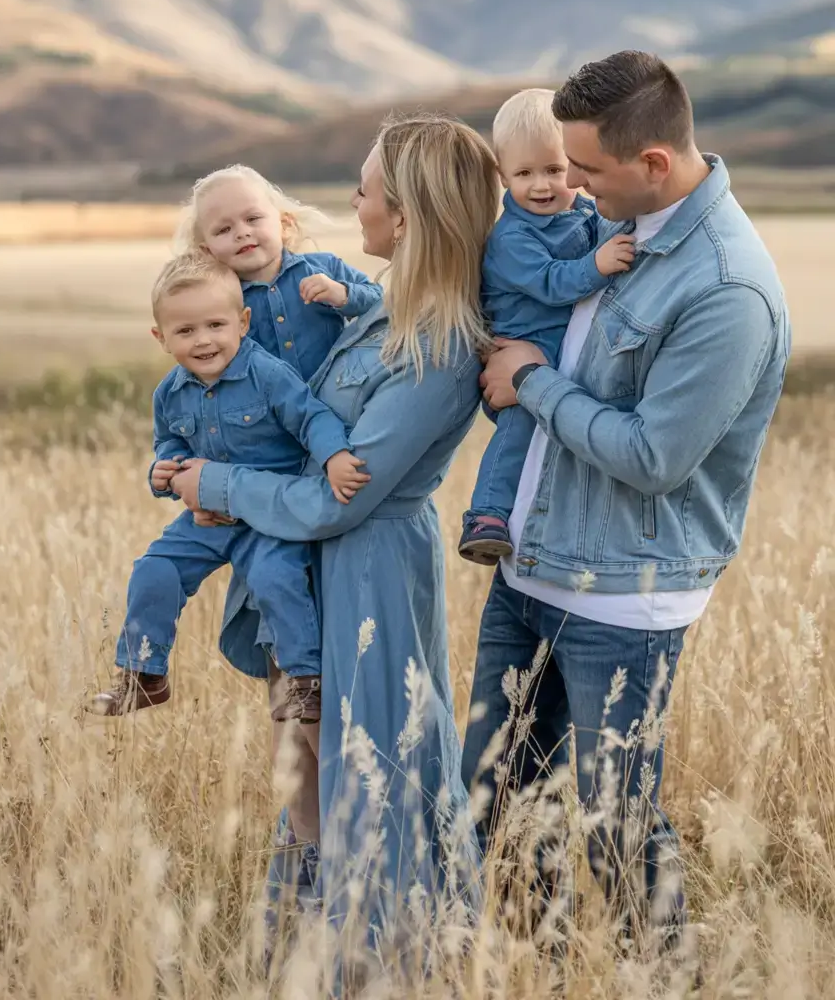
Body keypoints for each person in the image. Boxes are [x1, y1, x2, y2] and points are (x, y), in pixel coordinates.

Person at [462, 51, 790, 951]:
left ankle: (667, 973)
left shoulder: (727, 289)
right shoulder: (619, 223)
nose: (572, 189)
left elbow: (653, 457)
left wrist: (529, 381)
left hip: (623, 595)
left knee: (617, 826)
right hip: (532, 566)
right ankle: (543, 967)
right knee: (497, 800)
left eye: (588, 173)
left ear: (652, 163)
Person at [169, 116, 500, 940]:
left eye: (366, 191)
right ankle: (313, 943)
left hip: (373, 571)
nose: (351, 205)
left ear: (409, 215)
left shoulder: (439, 344)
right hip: (312, 570)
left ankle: (392, 952)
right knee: (308, 762)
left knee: (377, 763)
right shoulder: (383, 307)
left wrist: (218, 482)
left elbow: (337, 499)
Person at [90, 253, 366, 722]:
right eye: (186, 331)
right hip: (209, 518)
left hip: (268, 513)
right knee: (154, 569)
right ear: (161, 339)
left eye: (216, 325)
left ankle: (305, 681)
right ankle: (144, 674)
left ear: (243, 322)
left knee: (273, 579)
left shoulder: (267, 375)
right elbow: (170, 440)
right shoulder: (170, 392)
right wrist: (163, 472)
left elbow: (311, 416)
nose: (203, 341)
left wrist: (335, 457)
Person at [458, 88, 636, 565]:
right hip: (522, 352)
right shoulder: (512, 238)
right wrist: (598, 264)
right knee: (518, 430)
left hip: (559, 360)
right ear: (502, 175)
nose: (542, 185)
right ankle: (486, 516)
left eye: (555, 170)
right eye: (524, 173)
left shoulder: (579, 211)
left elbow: (607, 228)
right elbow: (552, 283)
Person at [174, 163, 384, 383]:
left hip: (337, 397)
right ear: (208, 251)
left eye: (252, 219)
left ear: (284, 225)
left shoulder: (325, 268)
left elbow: (381, 302)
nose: (242, 232)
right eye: (224, 230)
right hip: (267, 413)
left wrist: (343, 294)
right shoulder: (218, 300)